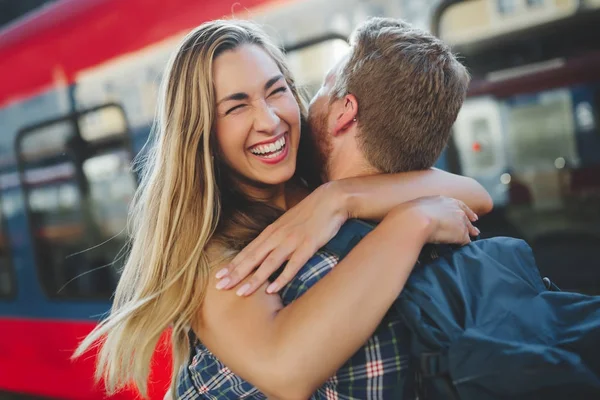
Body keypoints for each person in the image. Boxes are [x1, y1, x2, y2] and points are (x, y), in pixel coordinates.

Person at [73, 18, 491, 400]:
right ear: (202, 133)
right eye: (237, 106)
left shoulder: (319, 182)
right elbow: (285, 370)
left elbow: (473, 193)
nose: (270, 120)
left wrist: (340, 197)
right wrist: (410, 221)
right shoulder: (210, 250)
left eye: (276, 90)